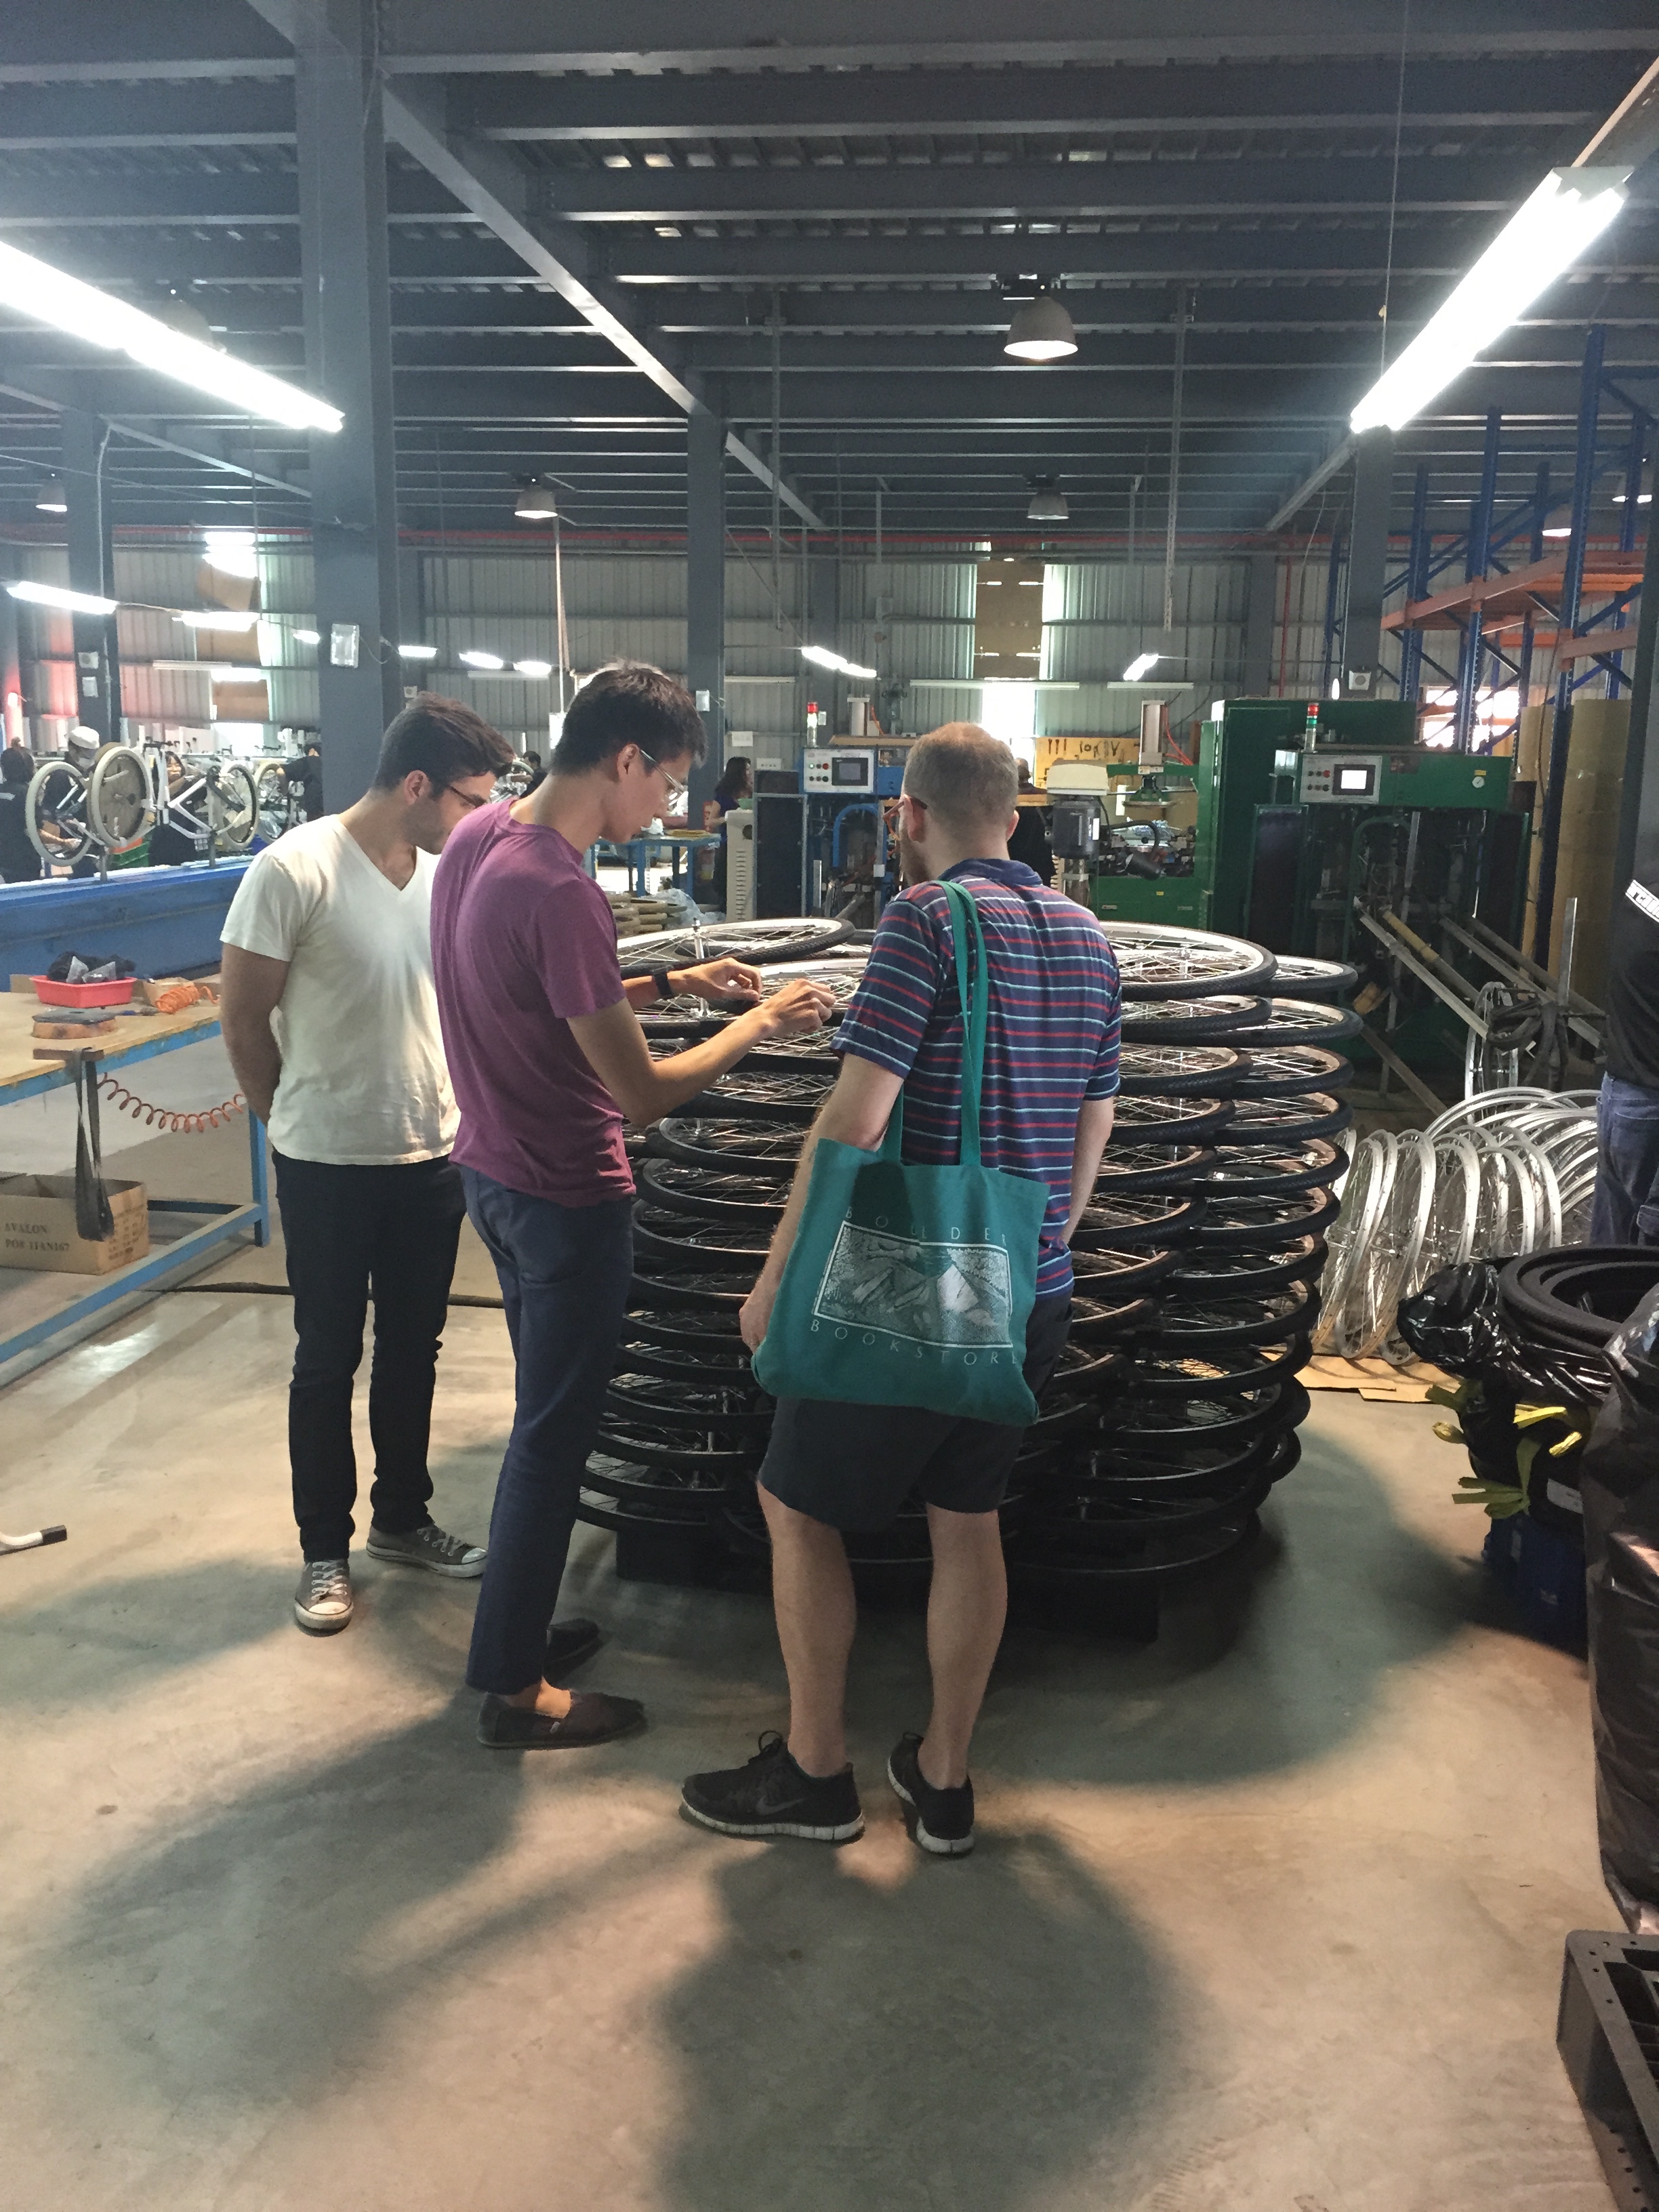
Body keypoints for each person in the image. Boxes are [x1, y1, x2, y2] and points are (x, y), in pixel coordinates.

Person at [681, 722, 1122, 1856]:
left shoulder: (922, 920)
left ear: (907, 816)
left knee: (795, 1501)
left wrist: (779, 1274)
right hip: (1031, 1281)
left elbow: (858, 1115)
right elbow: (1093, 1119)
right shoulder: (1086, 935)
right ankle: (942, 1779)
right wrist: (1044, 1245)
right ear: (1013, 817)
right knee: (966, 1518)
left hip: (917, 1274)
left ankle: (817, 1773)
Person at [429, 662, 836, 1751]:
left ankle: (511, 1633)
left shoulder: (482, 841)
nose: (670, 806)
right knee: (553, 1442)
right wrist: (762, 1026)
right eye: (667, 786)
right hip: (567, 1198)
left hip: (493, 1177)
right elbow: (644, 1097)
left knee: (539, 1426)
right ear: (625, 760)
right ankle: (517, 1696)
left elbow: (516, 990)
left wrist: (671, 988)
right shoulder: (560, 888)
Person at [220, 695, 516, 1634]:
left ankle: (402, 1518)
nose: (478, 819)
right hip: (327, 1163)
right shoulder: (292, 869)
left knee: (413, 1353)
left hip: (432, 1156)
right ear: (417, 784)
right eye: (471, 799)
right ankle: (323, 1550)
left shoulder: (443, 874)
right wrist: (289, 1117)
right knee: (326, 1358)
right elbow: (241, 1017)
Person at [1591, 869, 1659, 1247]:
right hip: (1651, 1101)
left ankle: (1592, 1302)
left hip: (1623, 1092)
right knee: (1648, 1245)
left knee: (1613, 1230)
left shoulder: (1642, 886)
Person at [708, 754, 752, 906]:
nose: (749, 773)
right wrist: (729, 818)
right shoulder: (723, 795)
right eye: (746, 770)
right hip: (729, 845)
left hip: (750, 844)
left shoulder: (752, 793)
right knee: (725, 883)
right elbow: (711, 822)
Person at [1006, 758, 1054, 886]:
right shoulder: (1047, 797)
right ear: (1029, 774)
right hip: (1041, 862)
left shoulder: (1004, 799)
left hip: (1013, 862)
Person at [0, 744, 41, 882]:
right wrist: (65, 842)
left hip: (4, 862)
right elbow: (33, 831)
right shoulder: (27, 793)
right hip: (25, 864)